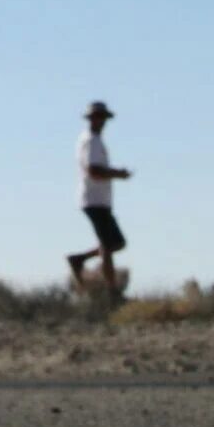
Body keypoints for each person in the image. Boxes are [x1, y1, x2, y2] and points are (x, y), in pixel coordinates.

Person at [68, 101, 132, 295]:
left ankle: (79, 259)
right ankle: (112, 291)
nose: (101, 121)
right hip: (94, 199)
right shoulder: (91, 141)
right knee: (107, 244)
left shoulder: (93, 140)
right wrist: (117, 174)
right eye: (98, 117)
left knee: (116, 242)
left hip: (100, 199)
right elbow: (94, 171)